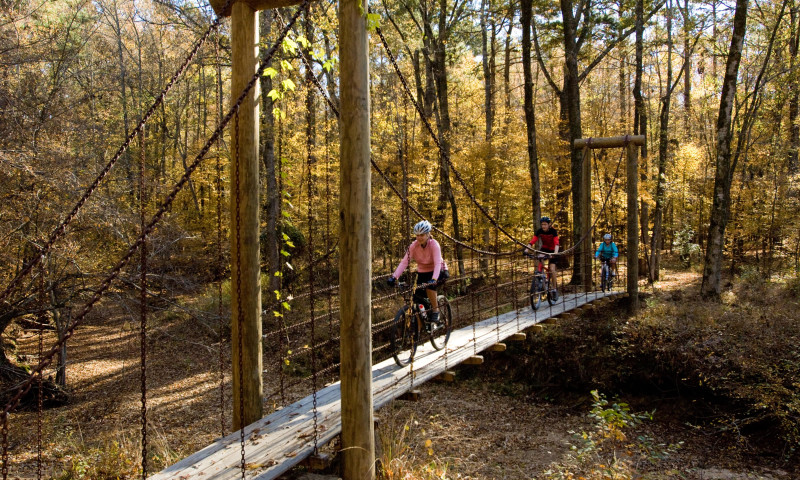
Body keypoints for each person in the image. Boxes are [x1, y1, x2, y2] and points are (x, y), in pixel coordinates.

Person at [387, 220, 449, 324]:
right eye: (417, 235)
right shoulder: (413, 246)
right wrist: (394, 277)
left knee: (430, 287)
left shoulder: (434, 245)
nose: (419, 237)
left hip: (439, 271)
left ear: (428, 234)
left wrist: (434, 279)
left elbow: (438, 263)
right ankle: (419, 331)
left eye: (422, 235)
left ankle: (435, 310)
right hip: (423, 272)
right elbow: (404, 262)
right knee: (416, 296)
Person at [526, 216, 559, 295]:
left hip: (553, 249)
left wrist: (555, 253)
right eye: (542, 224)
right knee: (539, 258)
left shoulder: (553, 231)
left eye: (545, 224)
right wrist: (526, 250)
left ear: (549, 225)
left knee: (552, 269)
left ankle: (554, 288)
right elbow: (533, 240)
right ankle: (541, 278)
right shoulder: (539, 231)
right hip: (545, 248)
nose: (543, 226)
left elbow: (556, 243)